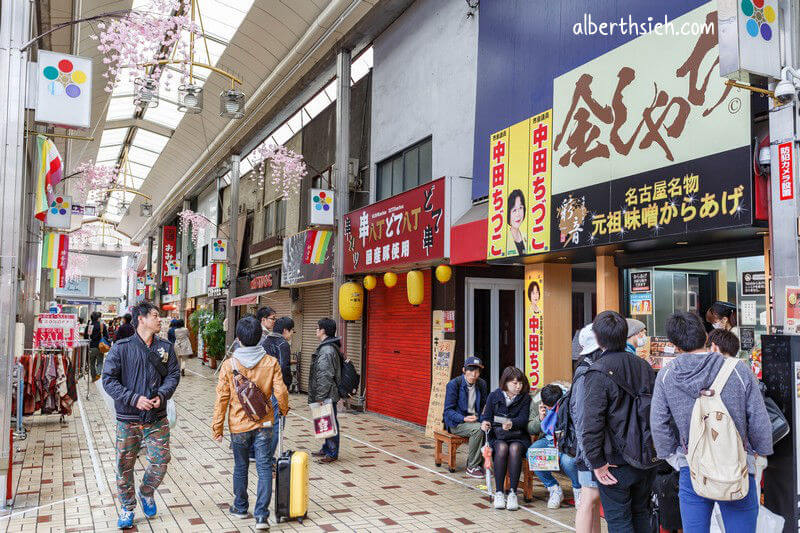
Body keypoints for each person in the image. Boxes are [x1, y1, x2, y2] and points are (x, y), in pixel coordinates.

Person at [651, 311, 772, 533]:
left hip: (693, 468)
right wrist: (761, 453)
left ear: (674, 344)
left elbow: (659, 424)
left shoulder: (666, 375)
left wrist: (677, 459)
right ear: (706, 336)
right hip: (737, 465)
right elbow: (758, 417)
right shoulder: (737, 369)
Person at [102, 301, 180, 530]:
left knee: (161, 460)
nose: (159, 320)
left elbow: (173, 375)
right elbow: (108, 380)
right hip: (128, 418)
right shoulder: (122, 348)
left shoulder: (165, 347)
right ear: (141, 319)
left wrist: (163, 394)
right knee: (124, 465)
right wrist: (133, 399)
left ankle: (146, 491)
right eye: (155, 315)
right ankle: (127, 507)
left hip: (156, 417)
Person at [212, 315, 290, 530]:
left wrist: (217, 427)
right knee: (265, 466)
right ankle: (261, 517)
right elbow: (281, 391)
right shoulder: (270, 362)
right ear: (259, 337)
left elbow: (222, 399)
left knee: (241, 465)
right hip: (264, 423)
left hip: (238, 425)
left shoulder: (229, 365)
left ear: (238, 338)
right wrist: (282, 411)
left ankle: (240, 507)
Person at [581, 310, 656, 533]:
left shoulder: (597, 372)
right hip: (645, 455)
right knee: (642, 513)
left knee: (619, 520)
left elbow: (592, 423)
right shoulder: (644, 366)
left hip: (614, 460)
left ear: (597, 337)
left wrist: (596, 462)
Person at [480, 366, 531, 511]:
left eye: (520, 383)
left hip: (518, 436)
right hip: (498, 436)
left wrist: (512, 423)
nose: (518, 386)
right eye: (515, 383)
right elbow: (486, 417)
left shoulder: (525, 398)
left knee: (514, 449)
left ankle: (513, 493)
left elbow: (524, 419)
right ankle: (499, 492)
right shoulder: (494, 396)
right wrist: (484, 423)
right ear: (506, 382)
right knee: (502, 448)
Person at [527, 383, 580, 509]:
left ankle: (579, 490)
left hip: (568, 442)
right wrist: (540, 418)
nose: (552, 410)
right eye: (549, 407)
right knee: (533, 453)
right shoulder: (537, 401)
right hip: (549, 440)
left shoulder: (570, 399)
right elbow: (530, 428)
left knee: (568, 461)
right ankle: (554, 489)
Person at [571, 324, 602, 533]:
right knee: (588, 497)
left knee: (592, 499)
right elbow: (581, 415)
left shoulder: (587, 368)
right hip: (588, 447)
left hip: (588, 445)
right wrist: (589, 451)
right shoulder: (586, 372)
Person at [442, 356, 488, 478]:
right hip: (456, 423)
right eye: (471, 370)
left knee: (487, 427)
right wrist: (464, 418)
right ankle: (472, 466)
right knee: (478, 429)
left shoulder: (482, 384)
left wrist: (485, 420)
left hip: (475, 421)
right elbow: (448, 411)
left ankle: (483, 464)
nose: (474, 374)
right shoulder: (454, 384)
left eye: (477, 371)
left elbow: (484, 407)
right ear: (464, 370)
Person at [308, 317, 342, 463]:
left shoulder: (327, 350)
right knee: (326, 421)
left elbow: (325, 375)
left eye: (318, 327)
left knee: (330, 421)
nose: (316, 329)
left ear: (323, 330)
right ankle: (327, 448)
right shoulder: (327, 347)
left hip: (327, 393)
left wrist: (320, 396)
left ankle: (332, 452)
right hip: (327, 393)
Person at [262, 316, 295, 466]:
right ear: (285, 331)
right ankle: (268, 460)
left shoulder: (265, 341)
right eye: (291, 331)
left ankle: (263, 455)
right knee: (278, 424)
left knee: (266, 423)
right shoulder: (283, 344)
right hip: (277, 389)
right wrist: (287, 385)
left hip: (263, 388)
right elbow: (284, 368)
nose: (292, 334)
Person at [88, 311, 106, 381]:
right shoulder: (102, 325)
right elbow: (106, 336)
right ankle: (98, 373)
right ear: (98, 318)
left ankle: (93, 377)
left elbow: (87, 336)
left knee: (92, 362)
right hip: (100, 347)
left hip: (92, 347)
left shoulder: (90, 326)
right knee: (100, 361)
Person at [507, 189, 526, 255]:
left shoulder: (527, 237)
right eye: (514, 210)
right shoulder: (504, 241)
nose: (518, 214)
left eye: (520, 208)